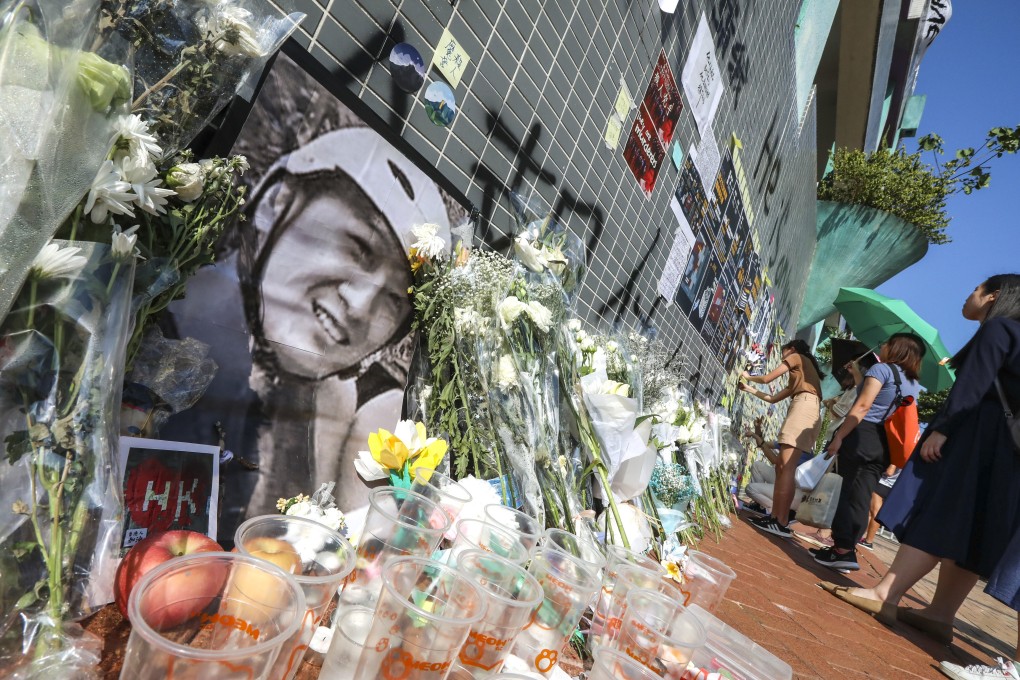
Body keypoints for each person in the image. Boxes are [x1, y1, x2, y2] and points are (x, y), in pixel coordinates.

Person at [162, 125, 454, 542]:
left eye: (392, 299)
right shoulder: (162, 321)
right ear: (281, 199)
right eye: (357, 248)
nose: (359, 306)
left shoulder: (326, 403)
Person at [817, 274, 1020, 653]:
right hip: (1008, 450)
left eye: (976, 288)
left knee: (937, 511)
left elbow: (972, 385)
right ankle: (941, 614)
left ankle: (884, 592)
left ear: (994, 296)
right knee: (970, 527)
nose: (969, 294)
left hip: (975, 435)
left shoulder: (999, 331)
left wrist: (943, 428)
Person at [812, 332, 925, 572]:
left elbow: (862, 406)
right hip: (885, 444)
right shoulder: (913, 383)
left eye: (888, 343)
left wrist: (839, 436)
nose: (883, 346)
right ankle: (846, 548)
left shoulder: (881, 370)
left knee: (846, 491)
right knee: (861, 495)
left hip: (862, 435)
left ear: (898, 349)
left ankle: (841, 550)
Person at [738, 339, 824, 537]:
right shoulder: (801, 377)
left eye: (782, 352)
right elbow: (772, 398)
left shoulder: (797, 357)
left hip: (803, 407)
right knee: (783, 467)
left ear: (791, 349)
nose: (782, 356)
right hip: (805, 407)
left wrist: (748, 376)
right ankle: (778, 518)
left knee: (785, 467)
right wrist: (749, 389)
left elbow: (768, 378)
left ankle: (780, 520)